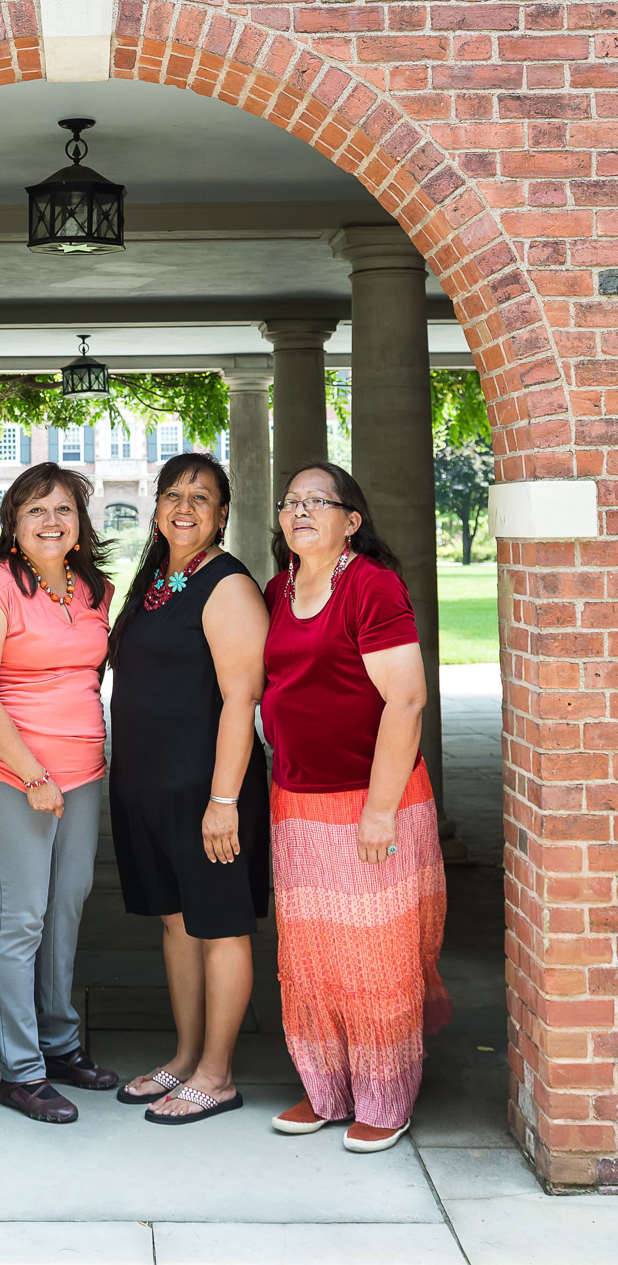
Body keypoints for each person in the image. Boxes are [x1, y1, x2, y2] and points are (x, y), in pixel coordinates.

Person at [263, 462, 452, 1154]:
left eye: (319, 501)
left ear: (352, 520)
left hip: (375, 802)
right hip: (296, 801)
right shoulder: (278, 587)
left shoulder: (372, 586)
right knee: (313, 957)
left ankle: (384, 1097)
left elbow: (405, 699)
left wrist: (378, 811)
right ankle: (327, 1089)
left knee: (376, 956)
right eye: (291, 502)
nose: (301, 511)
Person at [108, 452, 271, 1126]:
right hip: (148, 785)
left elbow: (242, 699)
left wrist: (223, 800)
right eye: (172, 494)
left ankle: (218, 1074)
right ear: (155, 508)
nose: (184, 506)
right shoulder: (155, 582)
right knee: (177, 923)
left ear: (222, 514)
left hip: (210, 790)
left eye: (200, 497)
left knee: (220, 925)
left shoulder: (227, 584)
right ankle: (185, 1056)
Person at [0, 463, 118, 1124]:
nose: (50, 521)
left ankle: (60, 1043)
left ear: (80, 525)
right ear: (13, 528)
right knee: (22, 918)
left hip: (85, 775)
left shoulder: (95, 589)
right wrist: (32, 776)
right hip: (17, 776)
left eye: (63, 510)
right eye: (34, 511)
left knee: (68, 909)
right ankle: (22, 1071)